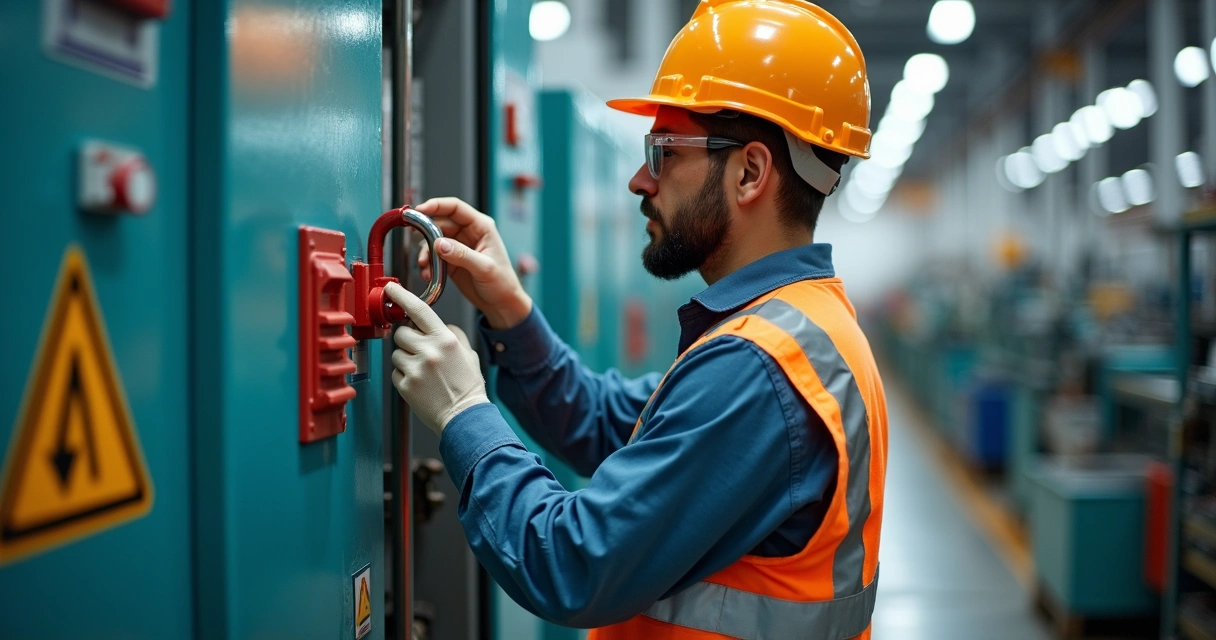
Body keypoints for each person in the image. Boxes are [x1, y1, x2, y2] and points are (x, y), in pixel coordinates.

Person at [383, 1, 889, 638]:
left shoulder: (760, 367)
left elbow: (570, 563)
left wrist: (463, 412)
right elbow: (604, 422)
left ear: (750, 172)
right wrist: (510, 311)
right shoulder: (796, 329)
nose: (637, 181)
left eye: (662, 152)